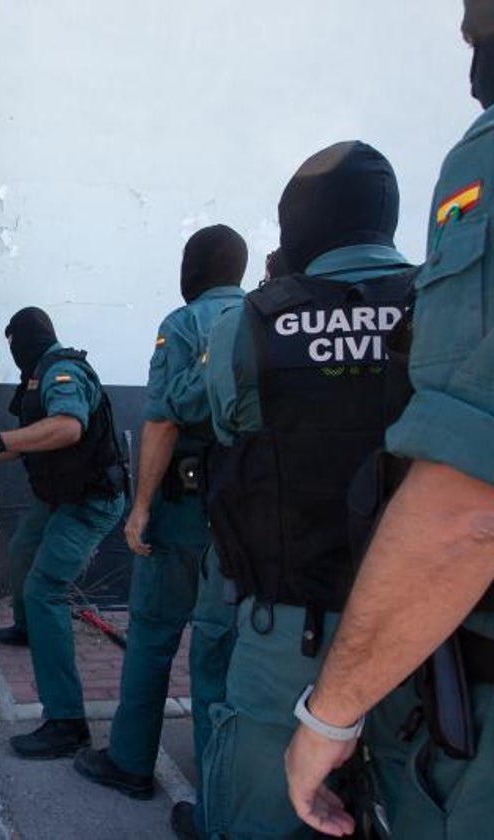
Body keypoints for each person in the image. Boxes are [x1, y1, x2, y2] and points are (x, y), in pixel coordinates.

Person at [285, 3, 494, 836]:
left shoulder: (247, 327)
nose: (463, 38)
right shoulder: (407, 298)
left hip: (328, 615)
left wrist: (328, 720)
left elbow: (468, 511)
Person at [200, 141, 420, 837]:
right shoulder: (447, 306)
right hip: (426, 636)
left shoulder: (252, 323)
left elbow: (229, 421)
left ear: (298, 223)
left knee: (258, 814)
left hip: (290, 635)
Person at [75, 226, 248, 840]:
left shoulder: (183, 325)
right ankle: (218, 796)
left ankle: (128, 763)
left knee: (151, 637)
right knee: (217, 656)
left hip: (179, 517)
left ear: (193, 267)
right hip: (240, 523)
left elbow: (163, 420)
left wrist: (140, 507)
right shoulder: (260, 319)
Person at [0, 307, 127, 758]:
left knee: (44, 588)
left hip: (91, 502)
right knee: (21, 550)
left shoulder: (62, 371)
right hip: (60, 498)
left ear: (27, 338)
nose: (11, 350)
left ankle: (67, 722)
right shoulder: (37, 372)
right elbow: (33, 438)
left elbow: (68, 428)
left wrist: (0, 442)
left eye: (12, 340)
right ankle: (30, 629)